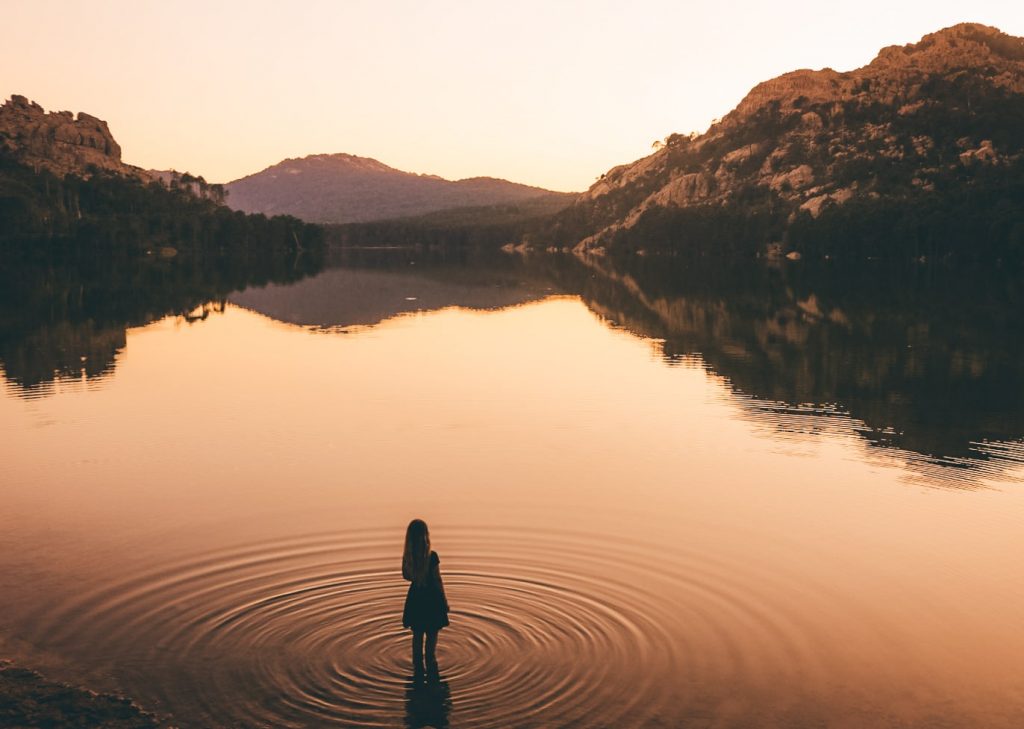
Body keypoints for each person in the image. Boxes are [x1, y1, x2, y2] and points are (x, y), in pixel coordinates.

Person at [402, 519, 449, 676]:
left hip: (416, 600)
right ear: (426, 536)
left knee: (417, 635)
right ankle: (431, 665)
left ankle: (417, 670)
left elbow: (406, 577)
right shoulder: (432, 557)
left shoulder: (408, 559)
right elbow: (437, 580)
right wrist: (444, 601)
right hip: (432, 600)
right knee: (432, 635)